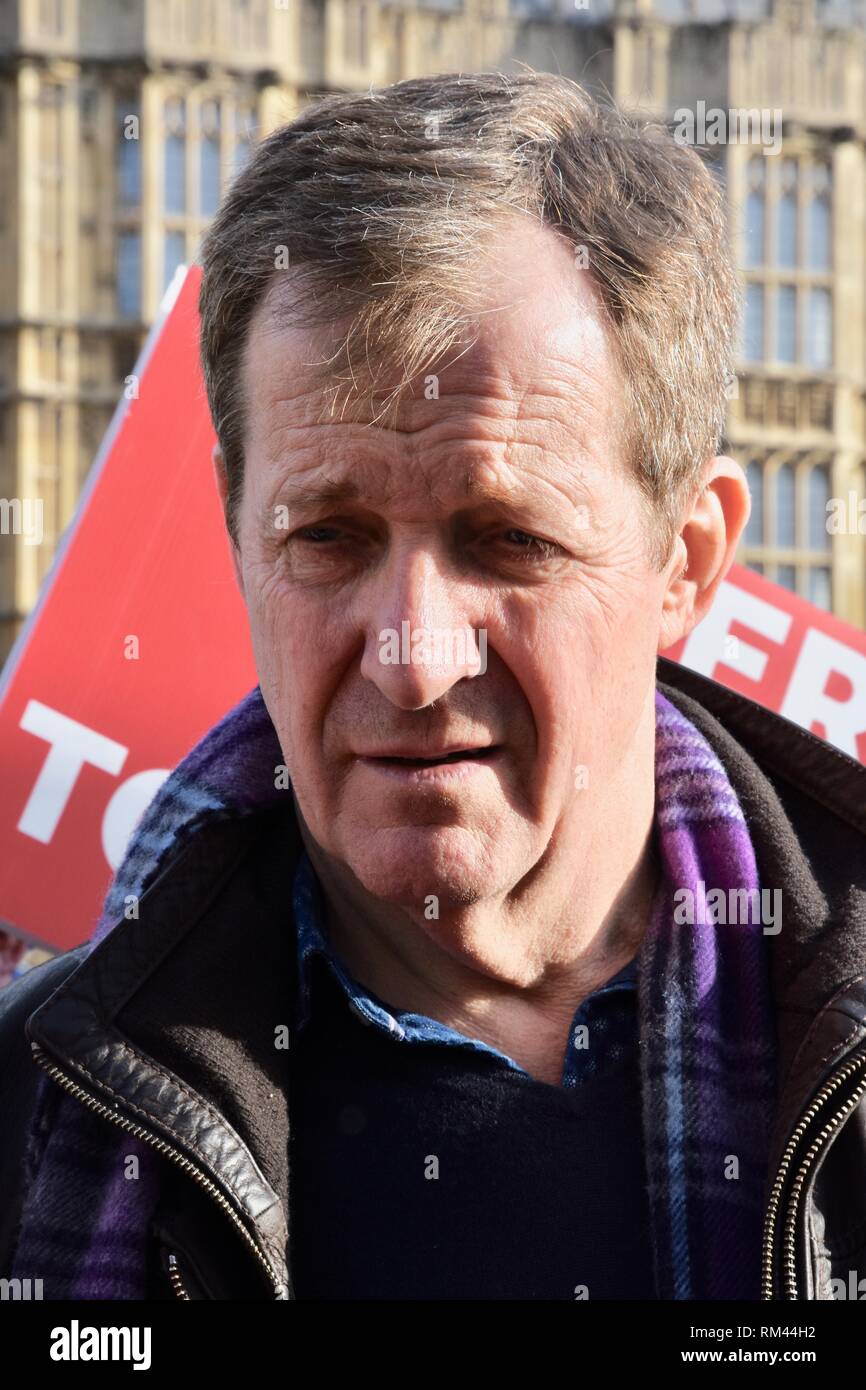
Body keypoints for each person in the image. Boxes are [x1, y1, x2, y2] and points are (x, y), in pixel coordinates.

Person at [2, 69, 865, 1302]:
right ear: (237, 535)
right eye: (328, 537)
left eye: (506, 540)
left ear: (685, 562)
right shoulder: (32, 1105)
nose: (412, 656)